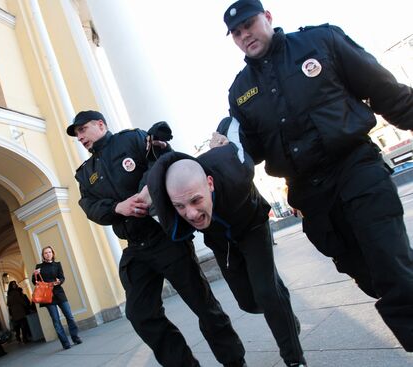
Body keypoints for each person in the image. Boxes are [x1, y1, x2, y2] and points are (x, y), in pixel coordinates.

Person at [222, 0, 413, 351]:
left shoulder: (320, 42)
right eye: (236, 32)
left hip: (355, 168)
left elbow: (383, 90)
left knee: (390, 264)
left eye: (249, 24)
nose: (244, 34)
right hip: (310, 196)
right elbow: (245, 152)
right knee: (367, 272)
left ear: (267, 17)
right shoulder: (240, 92)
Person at [67, 110, 247, 367]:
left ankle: (235, 362)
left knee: (203, 304)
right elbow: (89, 205)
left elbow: (159, 161)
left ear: (100, 124)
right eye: (76, 134)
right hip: (135, 247)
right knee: (140, 315)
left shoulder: (132, 139)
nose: (80, 137)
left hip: (163, 237)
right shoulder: (86, 172)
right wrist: (119, 207)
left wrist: (143, 192)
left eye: (82, 129)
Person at [146, 140, 306, 367]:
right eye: (180, 206)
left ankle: (294, 359)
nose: (190, 214)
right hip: (221, 240)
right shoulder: (171, 206)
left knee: (267, 292)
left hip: (251, 226)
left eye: (196, 200)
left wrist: (222, 137)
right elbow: (157, 183)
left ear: (209, 184)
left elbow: (235, 126)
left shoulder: (236, 172)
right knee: (249, 302)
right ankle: (284, 314)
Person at [32, 246, 82, 349]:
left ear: (53, 253)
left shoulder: (57, 265)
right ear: (43, 255)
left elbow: (62, 277)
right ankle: (65, 343)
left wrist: (60, 281)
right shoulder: (39, 266)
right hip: (47, 296)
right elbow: (34, 281)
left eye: (50, 252)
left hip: (59, 293)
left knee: (69, 316)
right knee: (56, 320)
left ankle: (75, 337)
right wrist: (35, 275)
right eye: (46, 253)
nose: (48, 254)